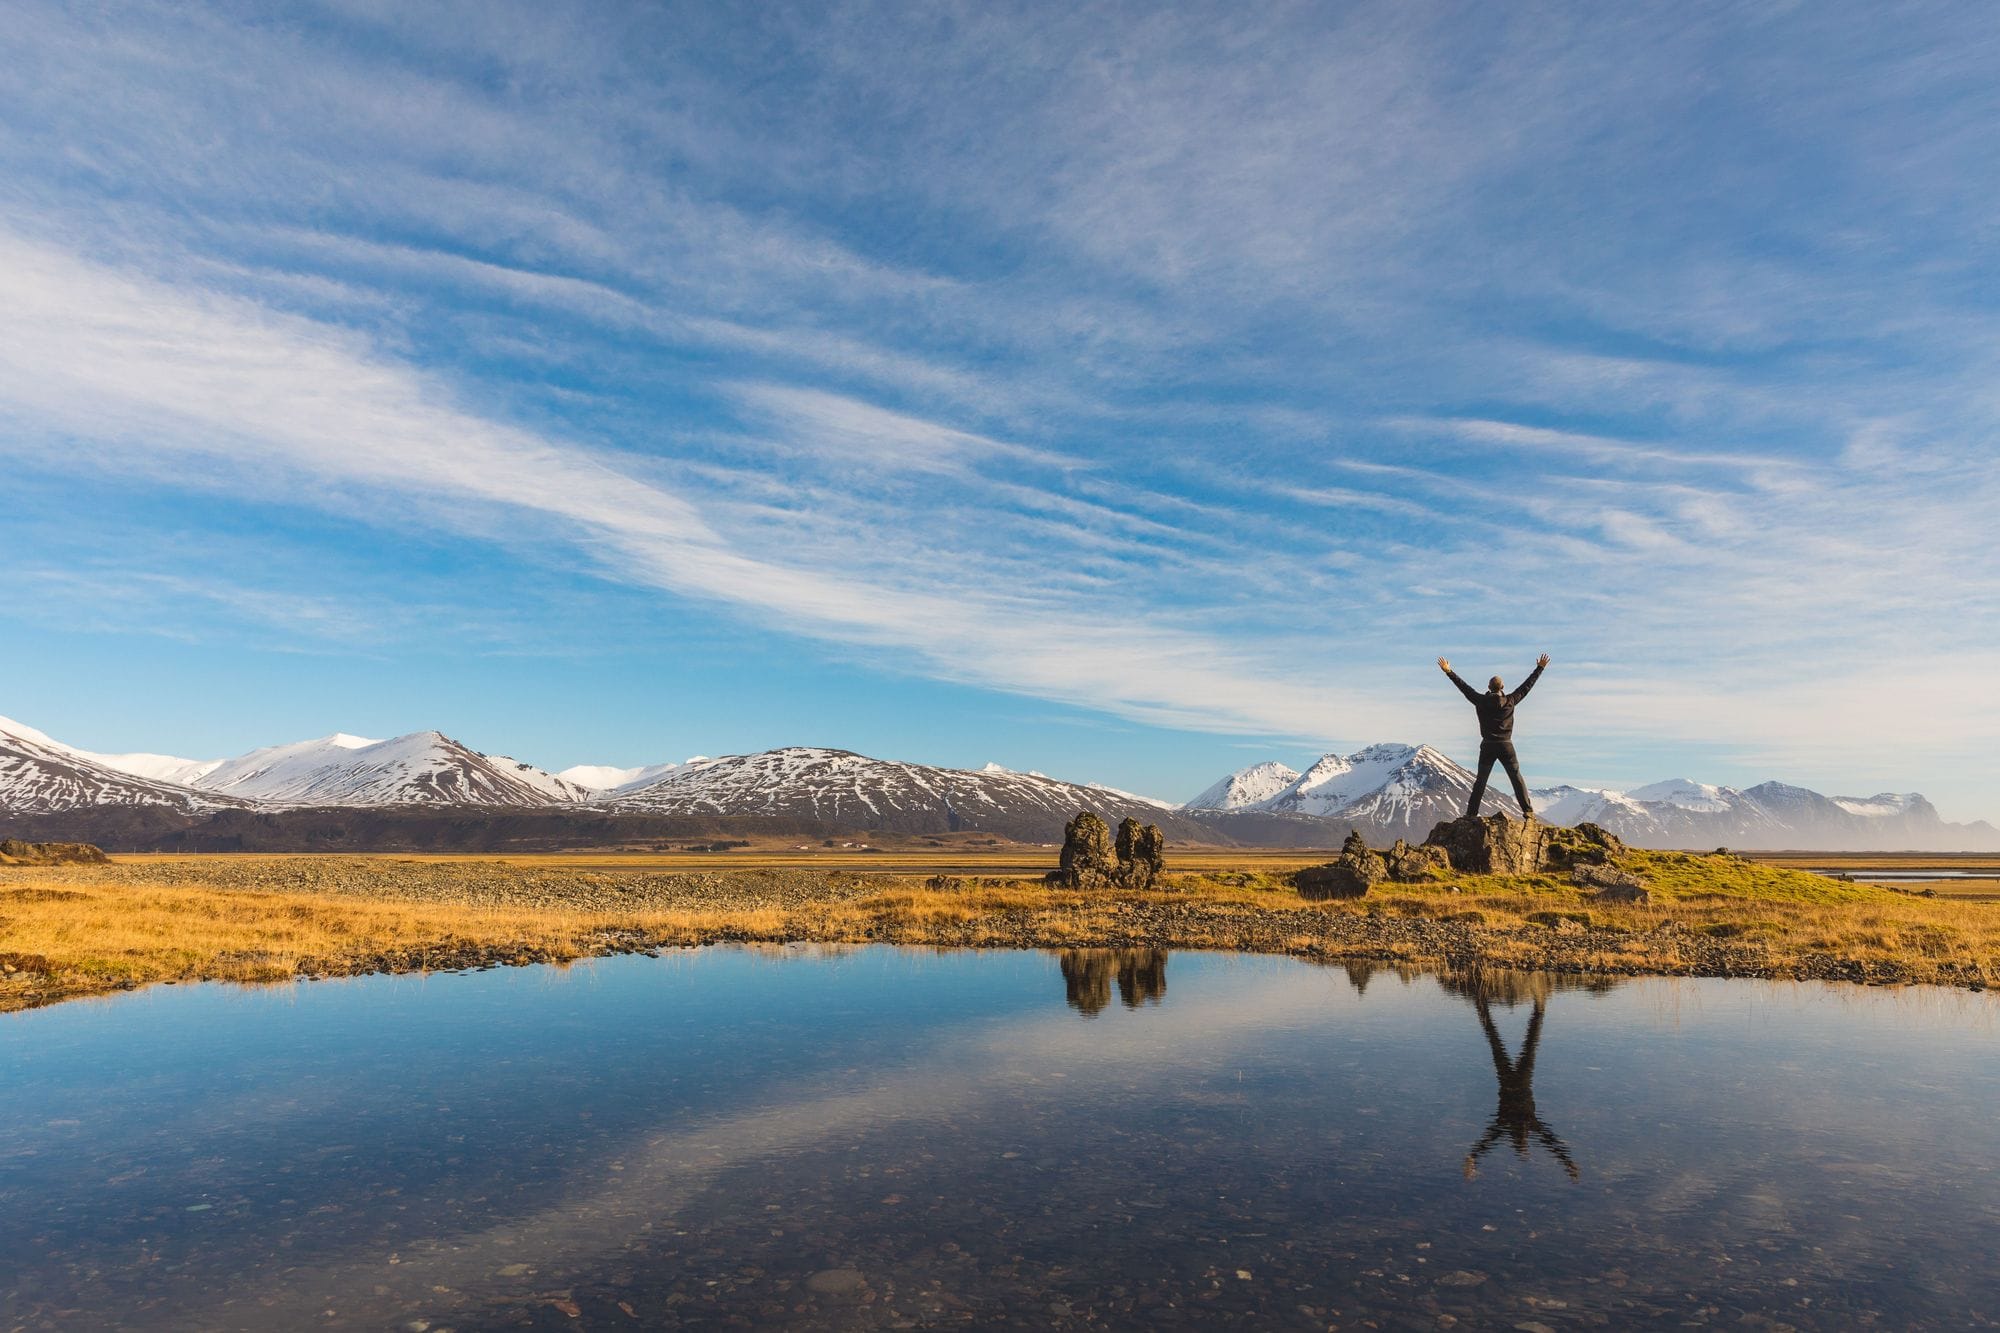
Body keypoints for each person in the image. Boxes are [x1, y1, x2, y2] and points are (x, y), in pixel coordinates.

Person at [1438, 652, 1549, 819]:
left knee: (1481, 781)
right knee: (1516, 777)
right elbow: (1527, 686)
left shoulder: (1480, 700)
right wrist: (1539, 668)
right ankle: (1528, 811)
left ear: (1488, 687)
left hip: (1488, 746)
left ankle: (1471, 813)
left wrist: (1449, 671)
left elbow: (1464, 688)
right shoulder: (1511, 700)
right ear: (1502, 687)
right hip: (1506, 745)